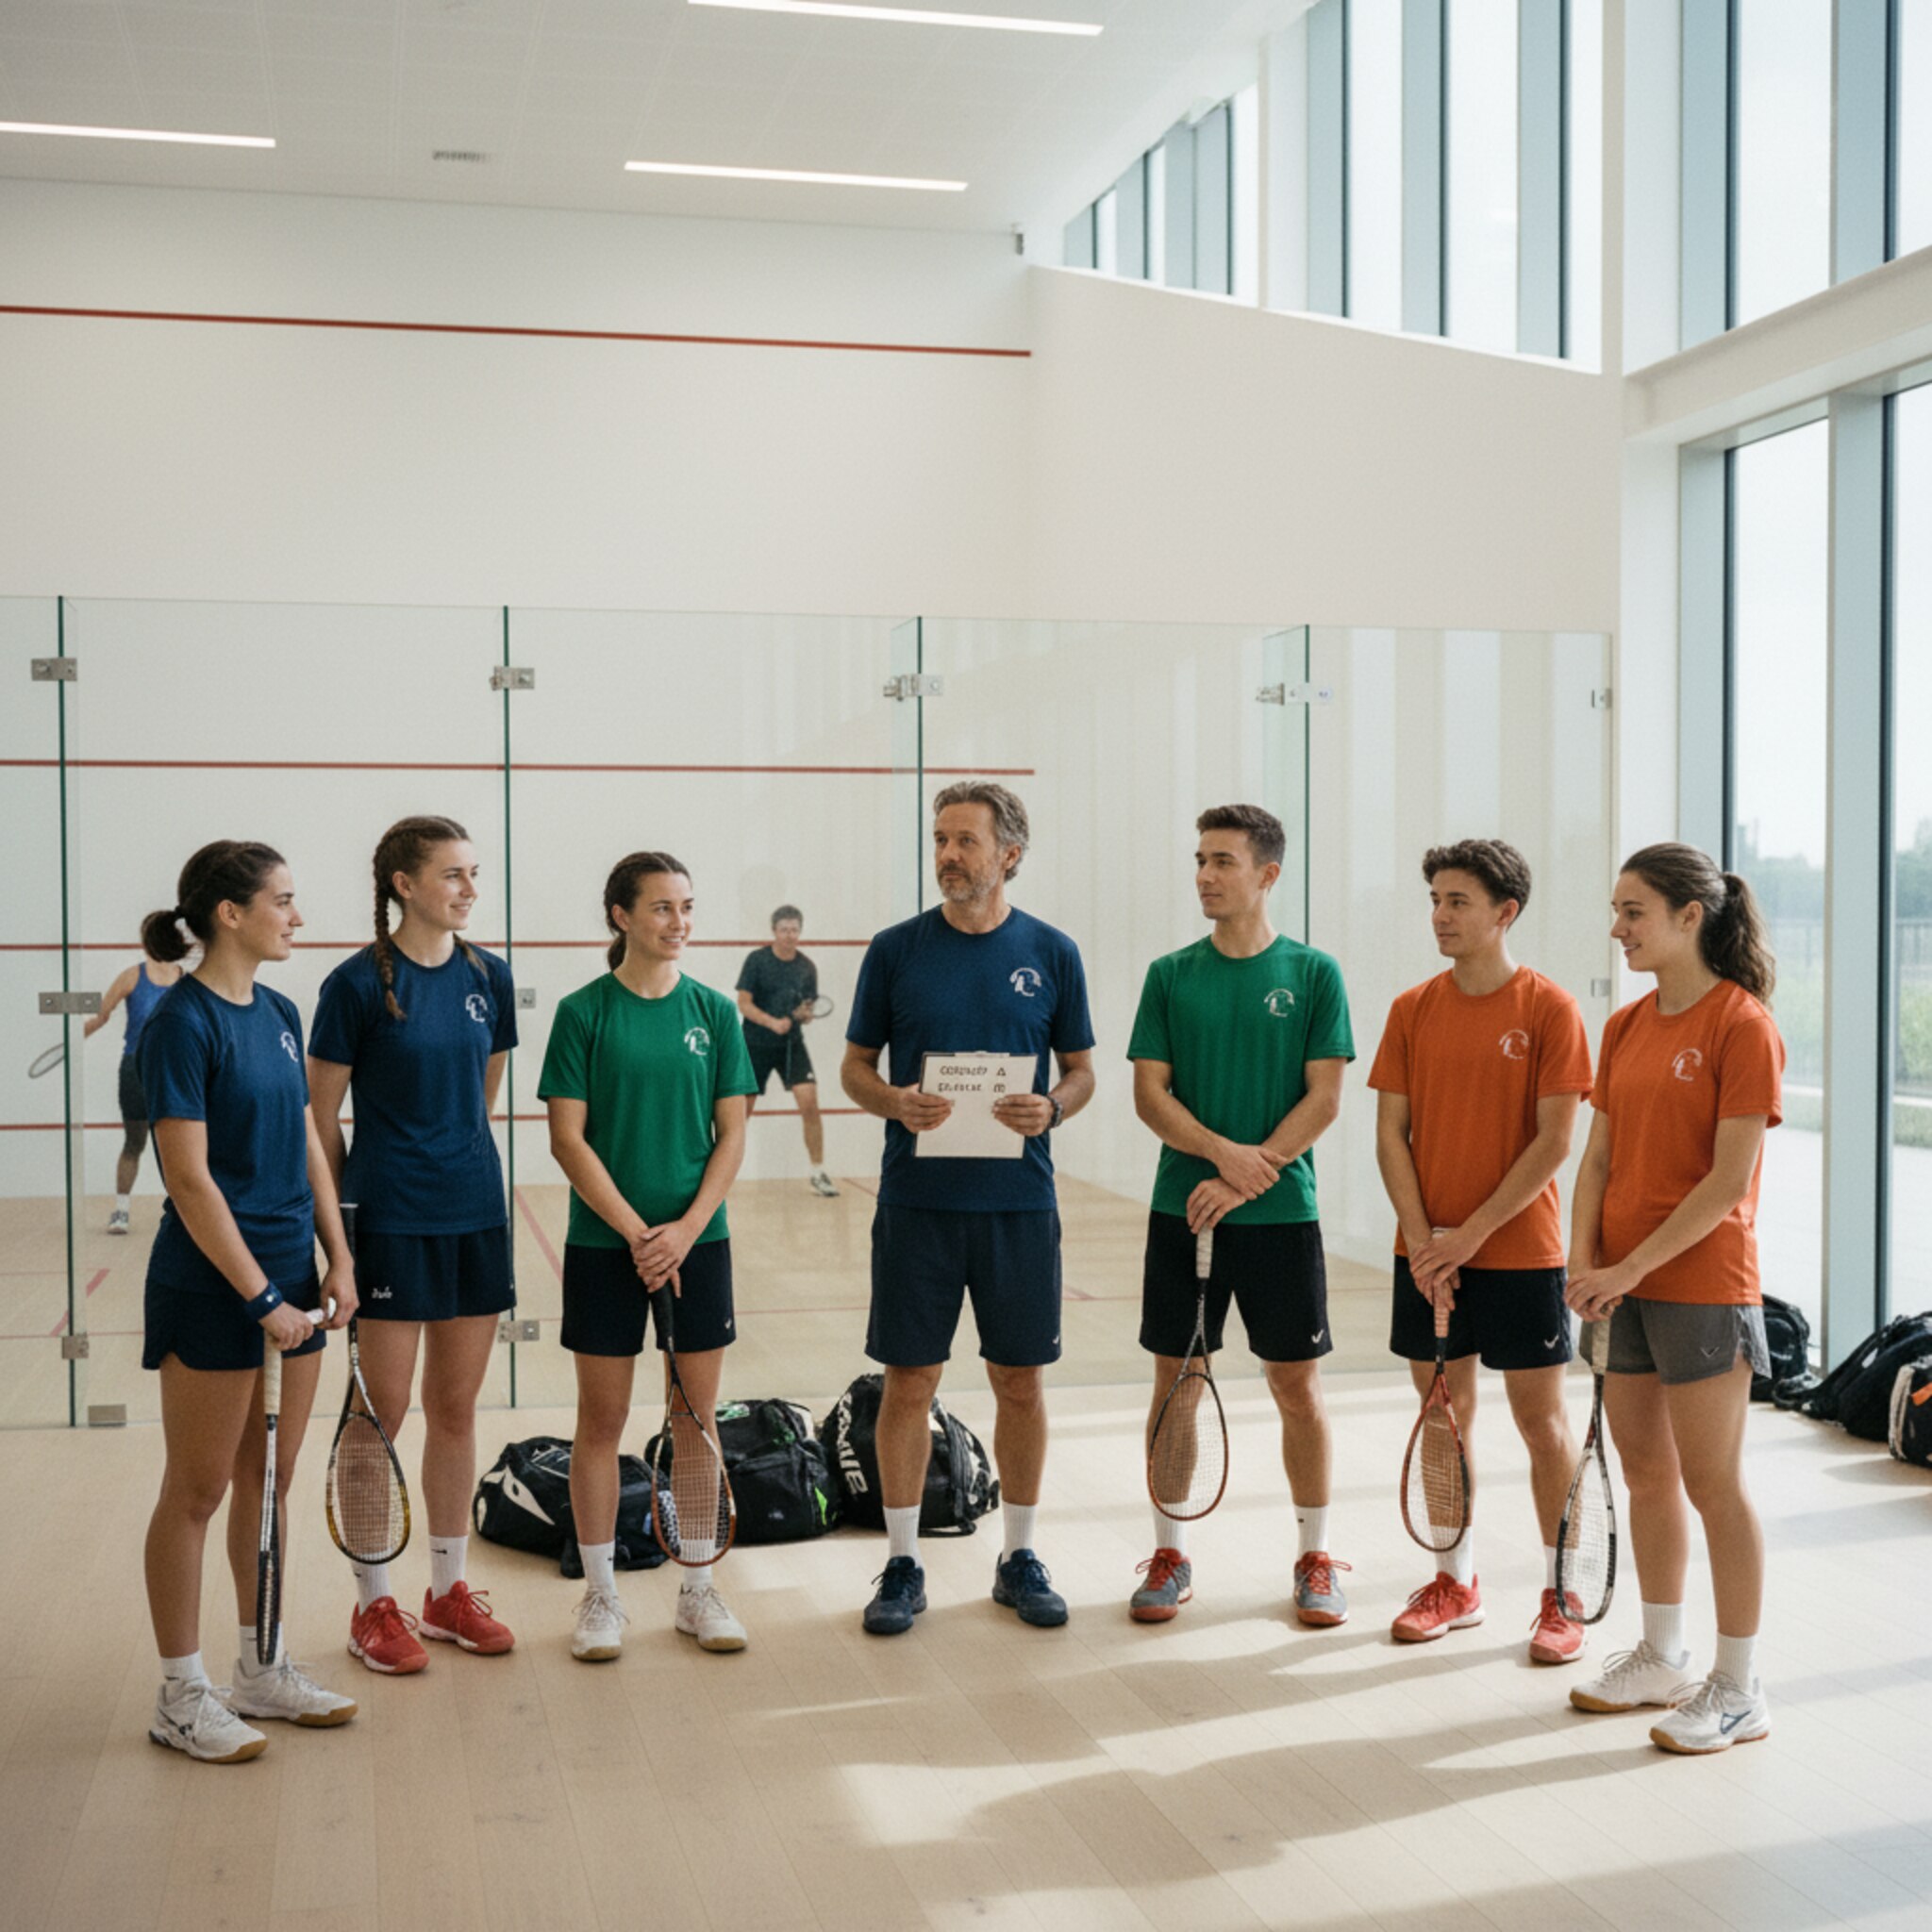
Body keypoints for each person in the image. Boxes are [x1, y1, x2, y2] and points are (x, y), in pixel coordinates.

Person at [841, 781, 1095, 1636]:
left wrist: (1053, 1107)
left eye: (966, 842)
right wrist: (893, 1102)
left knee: (1018, 1382)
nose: (948, 854)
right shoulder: (894, 950)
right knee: (908, 1383)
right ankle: (903, 1561)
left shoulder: (1053, 952)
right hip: (917, 1204)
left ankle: (1019, 1555)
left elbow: (1083, 1071)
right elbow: (854, 1069)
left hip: (1018, 1207)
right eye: (940, 839)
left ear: (1009, 856)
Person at [136, 841, 358, 1763]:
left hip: (293, 1285)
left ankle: (258, 1665)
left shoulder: (274, 1008)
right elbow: (188, 1179)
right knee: (196, 1489)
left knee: (268, 1479)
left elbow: (311, 1135)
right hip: (212, 1288)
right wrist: (261, 1294)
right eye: (284, 900)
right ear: (230, 912)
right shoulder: (180, 1023)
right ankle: (180, 1694)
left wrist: (336, 1254)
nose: (296, 916)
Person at [1564, 843, 1783, 1755]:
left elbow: (1727, 1183)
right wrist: (1582, 1263)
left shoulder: (1742, 1026)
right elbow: (1601, 1158)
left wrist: (1628, 1268)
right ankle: (1660, 1654)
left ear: (1692, 915)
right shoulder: (1625, 1027)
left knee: (1712, 1483)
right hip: (1618, 1287)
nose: (1617, 929)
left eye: (1633, 912)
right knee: (1649, 1474)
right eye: (1616, 911)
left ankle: (1738, 1686)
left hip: (1699, 1285)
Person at [1125, 805, 1355, 1627]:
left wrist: (1247, 1176)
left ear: (1267, 874)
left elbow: (1324, 1099)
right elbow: (1150, 1096)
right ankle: (1169, 1552)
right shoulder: (1170, 975)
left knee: (1298, 1386)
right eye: (1199, 859)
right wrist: (1226, 1157)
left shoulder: (1315, 974)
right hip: (1182, 1212)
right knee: (1178, 1383)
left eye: (1222, 861)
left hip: (1283, 1218)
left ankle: (1315, 1556)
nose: (1204, 875)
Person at [1369, 841, 1593, 1658]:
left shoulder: (1550, 1010)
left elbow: (1553, 1143)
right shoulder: (1411, 1009)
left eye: (1458, 901)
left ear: (1505, 913)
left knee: (1542, 1424)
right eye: (1435, 898)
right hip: (1426, 1255)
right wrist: (1426, 1239)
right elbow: (1391, 1134)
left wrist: (1468, 1236)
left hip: (1522, 1255)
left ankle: (1561, 1594)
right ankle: (1453, 1582)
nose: (1440, 915)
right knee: (1441, 1416)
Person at [309, 815, 519, 1674]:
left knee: (459, 1409)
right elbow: (318, 1120)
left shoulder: (488, 977)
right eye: (454, 876)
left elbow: (483, 1096)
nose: (470, 889)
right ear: (404, 884)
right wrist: (340, 1241)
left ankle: (444, 1593)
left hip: (474, 1213)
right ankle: (373, 1605)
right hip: (388, 1219)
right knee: (379, 1417)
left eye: (474, 874)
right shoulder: (356, 985)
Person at [540, 852, 757, 1660]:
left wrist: (686, 1230)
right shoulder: (582, 1013)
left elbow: (731, 1133)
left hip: (699, 1242)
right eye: (662, 908)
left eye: (687, 907)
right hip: (607, 1246)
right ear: (621, 916)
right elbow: (568, 1138)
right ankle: (601, 1600)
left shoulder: (714, 1012)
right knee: (600, 1422)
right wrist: (638, 1233)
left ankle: (699, 1589)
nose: (679, 923)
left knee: (693, 1423)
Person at [83, 939, 184, 1233]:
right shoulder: (131, 976)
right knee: (134, 1142)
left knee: (181, 1146)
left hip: (175, 1071)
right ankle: (121, 1212)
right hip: (135, 1070)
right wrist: (72, 1033)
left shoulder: (186, 982)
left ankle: (185, 1212)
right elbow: (101, 1013)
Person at [737, 904, 838, 1197]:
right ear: (774, 931)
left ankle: (818, 1173)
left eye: (794, 930)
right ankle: (715, 1174)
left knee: (810, 1103)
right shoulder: (757, 961)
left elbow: (807, 1008)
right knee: (740, 1112)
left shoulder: (806, 967)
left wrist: (804, 1016)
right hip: (755, 1045)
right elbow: (743, 1003)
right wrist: (771, 1022)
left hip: (792, 1045)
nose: (789, 935)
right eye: (784, 930)